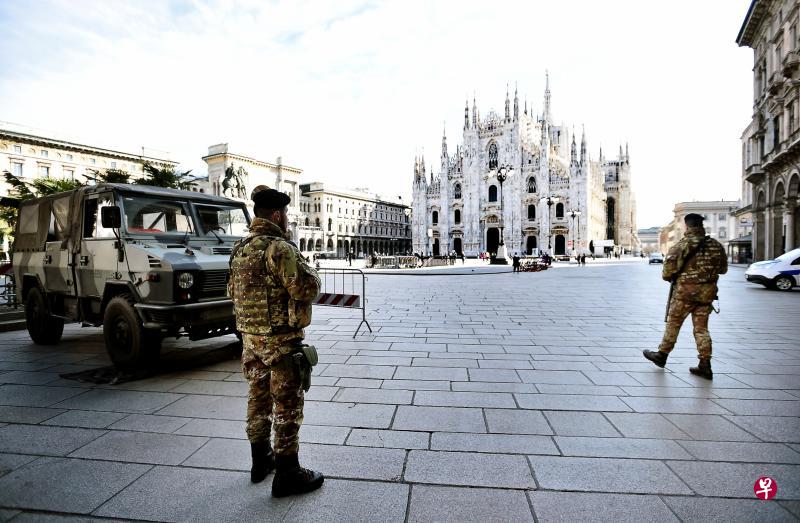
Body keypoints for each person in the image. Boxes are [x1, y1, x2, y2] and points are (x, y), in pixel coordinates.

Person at [228, 187, 324, 497]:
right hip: (280, 343)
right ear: (277, 215)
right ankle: (288, 473)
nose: (286, 218)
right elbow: (305, 289)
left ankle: (261, 461)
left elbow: (232, 292)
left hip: (251, 342)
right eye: (285, 214)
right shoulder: (279, 248)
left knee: (257, 401)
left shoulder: (240, 249)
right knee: (287, 405)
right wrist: (311, 272)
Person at [643, 213, 728, 380]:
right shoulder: (716, 246)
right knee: (701, 329)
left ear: (687, 226)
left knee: (673, 324)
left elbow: (667, 274)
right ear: (701, 226)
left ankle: (662, 355)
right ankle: (705, 364)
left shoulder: (680, 246)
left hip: (684, 295)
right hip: (706, 296)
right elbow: (723, 269)